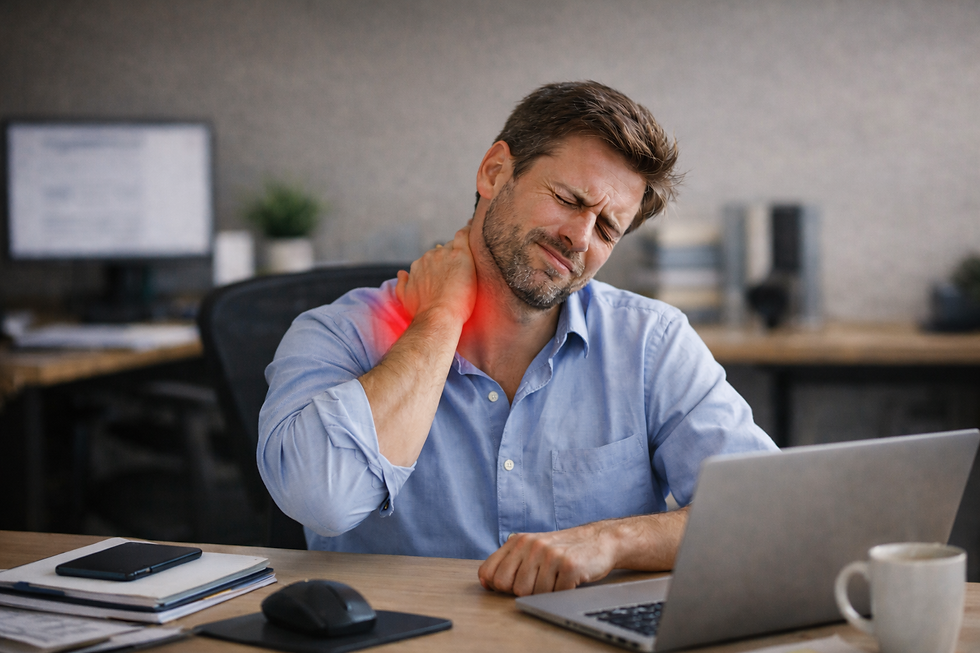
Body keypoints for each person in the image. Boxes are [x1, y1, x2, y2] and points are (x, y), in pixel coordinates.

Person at [258, 80, 776, 597]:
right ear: (494, 171)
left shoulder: (651, 343)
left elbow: (763, 514)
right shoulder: (337, 335)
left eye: (606, 230)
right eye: (569, 199)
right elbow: (320, 500)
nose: (579, 237)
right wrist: (440, 320)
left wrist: (611, 541)